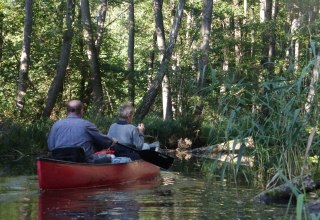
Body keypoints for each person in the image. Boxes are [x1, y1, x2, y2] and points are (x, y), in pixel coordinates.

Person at [48, 100, 115, 163]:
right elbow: (104, 141)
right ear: (82, 111)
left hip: (60, 162)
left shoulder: (56, 125)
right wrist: (112, 141)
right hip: (84, 161)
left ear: (67, 111)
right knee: (111, 157)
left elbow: (51, 146)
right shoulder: (87, 125)